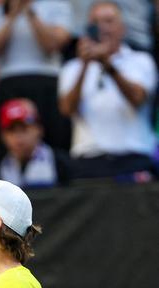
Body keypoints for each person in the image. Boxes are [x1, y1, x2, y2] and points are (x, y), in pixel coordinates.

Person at [59, 1, 158, 180]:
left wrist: (108, 65)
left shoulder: (141, 61)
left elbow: (137, 98)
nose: (102, 28)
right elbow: (67, 109)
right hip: (88, 160)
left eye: (109, 21)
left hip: (133, 158)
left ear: (123, 28)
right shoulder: (73, 68)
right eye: (96, 22)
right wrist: (85, 65)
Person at [0, 0, 72, 174]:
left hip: (47, 84)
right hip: (9, 83)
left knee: (55, 146)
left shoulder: (56, 5)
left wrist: (29, 11)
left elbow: (52, 45)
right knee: (2, 150)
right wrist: (13, 13)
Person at [0, 98, 72, 188]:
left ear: (39, 129)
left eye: (23, 129)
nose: (18, 137)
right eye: (11, 130)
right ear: (3, 136)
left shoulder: (62, 165)